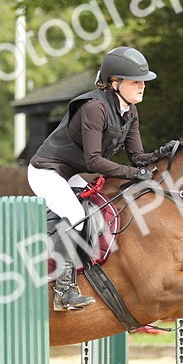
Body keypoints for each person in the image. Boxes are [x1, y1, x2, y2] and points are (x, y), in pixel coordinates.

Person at [28, 46, 159, 311]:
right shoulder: (94, 107)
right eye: (135, 81)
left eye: (143, 81)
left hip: (70, 174)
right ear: (115, 83)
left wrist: (166, 156)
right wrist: (135, 174)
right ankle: (62, 292)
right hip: (46, 171)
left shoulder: (129, 111)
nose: (142, 86)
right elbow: (94, 161)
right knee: (77, 215)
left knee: (99, 211)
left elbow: (138, 157)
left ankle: (85, 276)